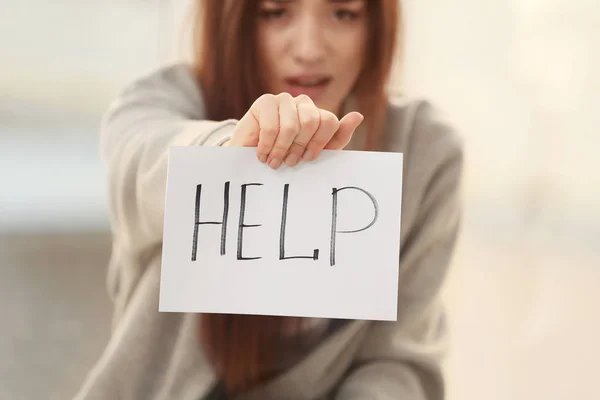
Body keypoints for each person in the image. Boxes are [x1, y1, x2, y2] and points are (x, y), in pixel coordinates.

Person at [74, 0, 463, 399]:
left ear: (377, 24)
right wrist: (231, 150)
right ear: (233, 19)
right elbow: (142, 163)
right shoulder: (158, 100)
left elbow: (397, 361)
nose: (309, 49)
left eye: (344, 13)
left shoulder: (424, 148)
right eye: (275, 12)